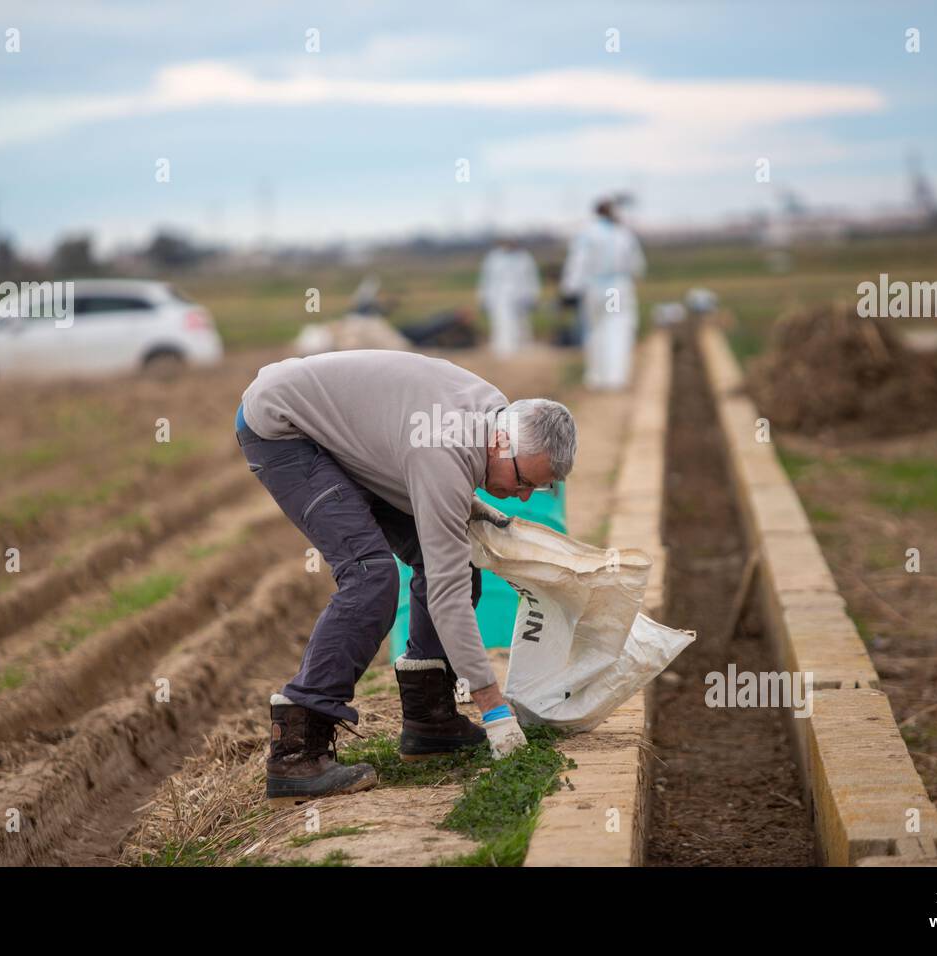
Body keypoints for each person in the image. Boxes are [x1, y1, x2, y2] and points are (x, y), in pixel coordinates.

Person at [235, 351, 578, 805]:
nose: (524, 495)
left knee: (460, 564)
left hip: (351, 436)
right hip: (284, 426)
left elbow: (419, 468)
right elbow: (446, 592)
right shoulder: (445, 452)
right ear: (501, 443)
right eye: (523, 481)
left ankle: (429, 722)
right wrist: (492, 705)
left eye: (537, 489)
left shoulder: (494, 414)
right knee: (370, 576)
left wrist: (468, 506)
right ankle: (296, 752)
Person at [559, 199, 647, 390]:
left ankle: (596, 376)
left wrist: (569, 289)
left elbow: (577, 263)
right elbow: (637, 266)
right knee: (615, 328)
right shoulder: (623, 234)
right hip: (614, 289)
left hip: (593, 289)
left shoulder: (586, 234)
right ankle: (614, 377)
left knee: (594, 330)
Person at [478, 240, 540, 357]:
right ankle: (504, 348)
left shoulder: (524, 257)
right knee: (502, 321)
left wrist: (533, 295)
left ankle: (523, 346)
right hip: (499, 295)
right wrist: (483, 297)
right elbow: (486, 279)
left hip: (521, 294)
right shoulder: (493, 258)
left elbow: (532, 278)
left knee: (522, 322)